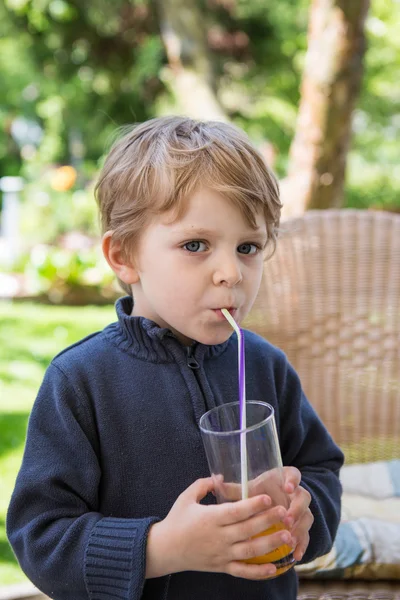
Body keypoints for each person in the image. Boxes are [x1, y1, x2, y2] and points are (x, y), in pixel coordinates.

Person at [7, 116, 344, 600]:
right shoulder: (81, 381)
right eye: (195, 245)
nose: (231, 273)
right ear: (124, 257)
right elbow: (41, 538)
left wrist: (308, 514)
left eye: (248, 247)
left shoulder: (265, 365)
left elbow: (320, 469)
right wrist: (161, 548)